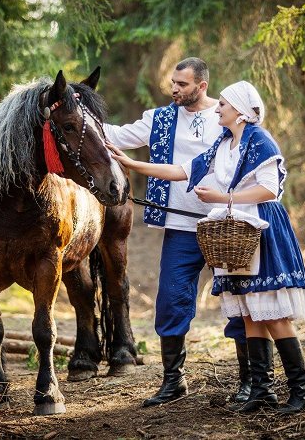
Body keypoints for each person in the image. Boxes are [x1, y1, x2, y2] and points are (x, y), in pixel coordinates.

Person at [108, 80, 305, 414]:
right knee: (249, 311)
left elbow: (270, 188)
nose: (217, 109)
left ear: (240, 111)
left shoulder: (259, 140)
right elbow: (181, 171)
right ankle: (262, 390)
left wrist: (224, 198)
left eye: (223, 104)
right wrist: (132, 164)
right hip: (235, 229)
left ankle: (302, 389)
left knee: (271, 311)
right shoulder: (223, 143)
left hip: (261, 226)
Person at [104, 58, 251, 407]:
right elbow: (118, 134)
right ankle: (174, 380)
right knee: (170, 300)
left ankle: (251, 380)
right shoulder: (161, 118)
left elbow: (252, 157)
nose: (174, 89)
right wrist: (79, 117)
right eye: (173, 82)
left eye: (182, 85)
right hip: (180, 225)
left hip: (224, 225)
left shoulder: (226, 115)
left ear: (201, 86)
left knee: (238, 299)